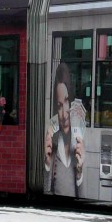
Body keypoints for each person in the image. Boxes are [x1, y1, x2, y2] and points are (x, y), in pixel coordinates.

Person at [45, 62, 84, 197]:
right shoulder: (53, 132)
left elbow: (83, 191)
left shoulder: (79, 135)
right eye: (59, 105)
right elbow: (46, 187)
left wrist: (79, 171)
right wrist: (47, 161)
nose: (64, 113)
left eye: (67, 101)